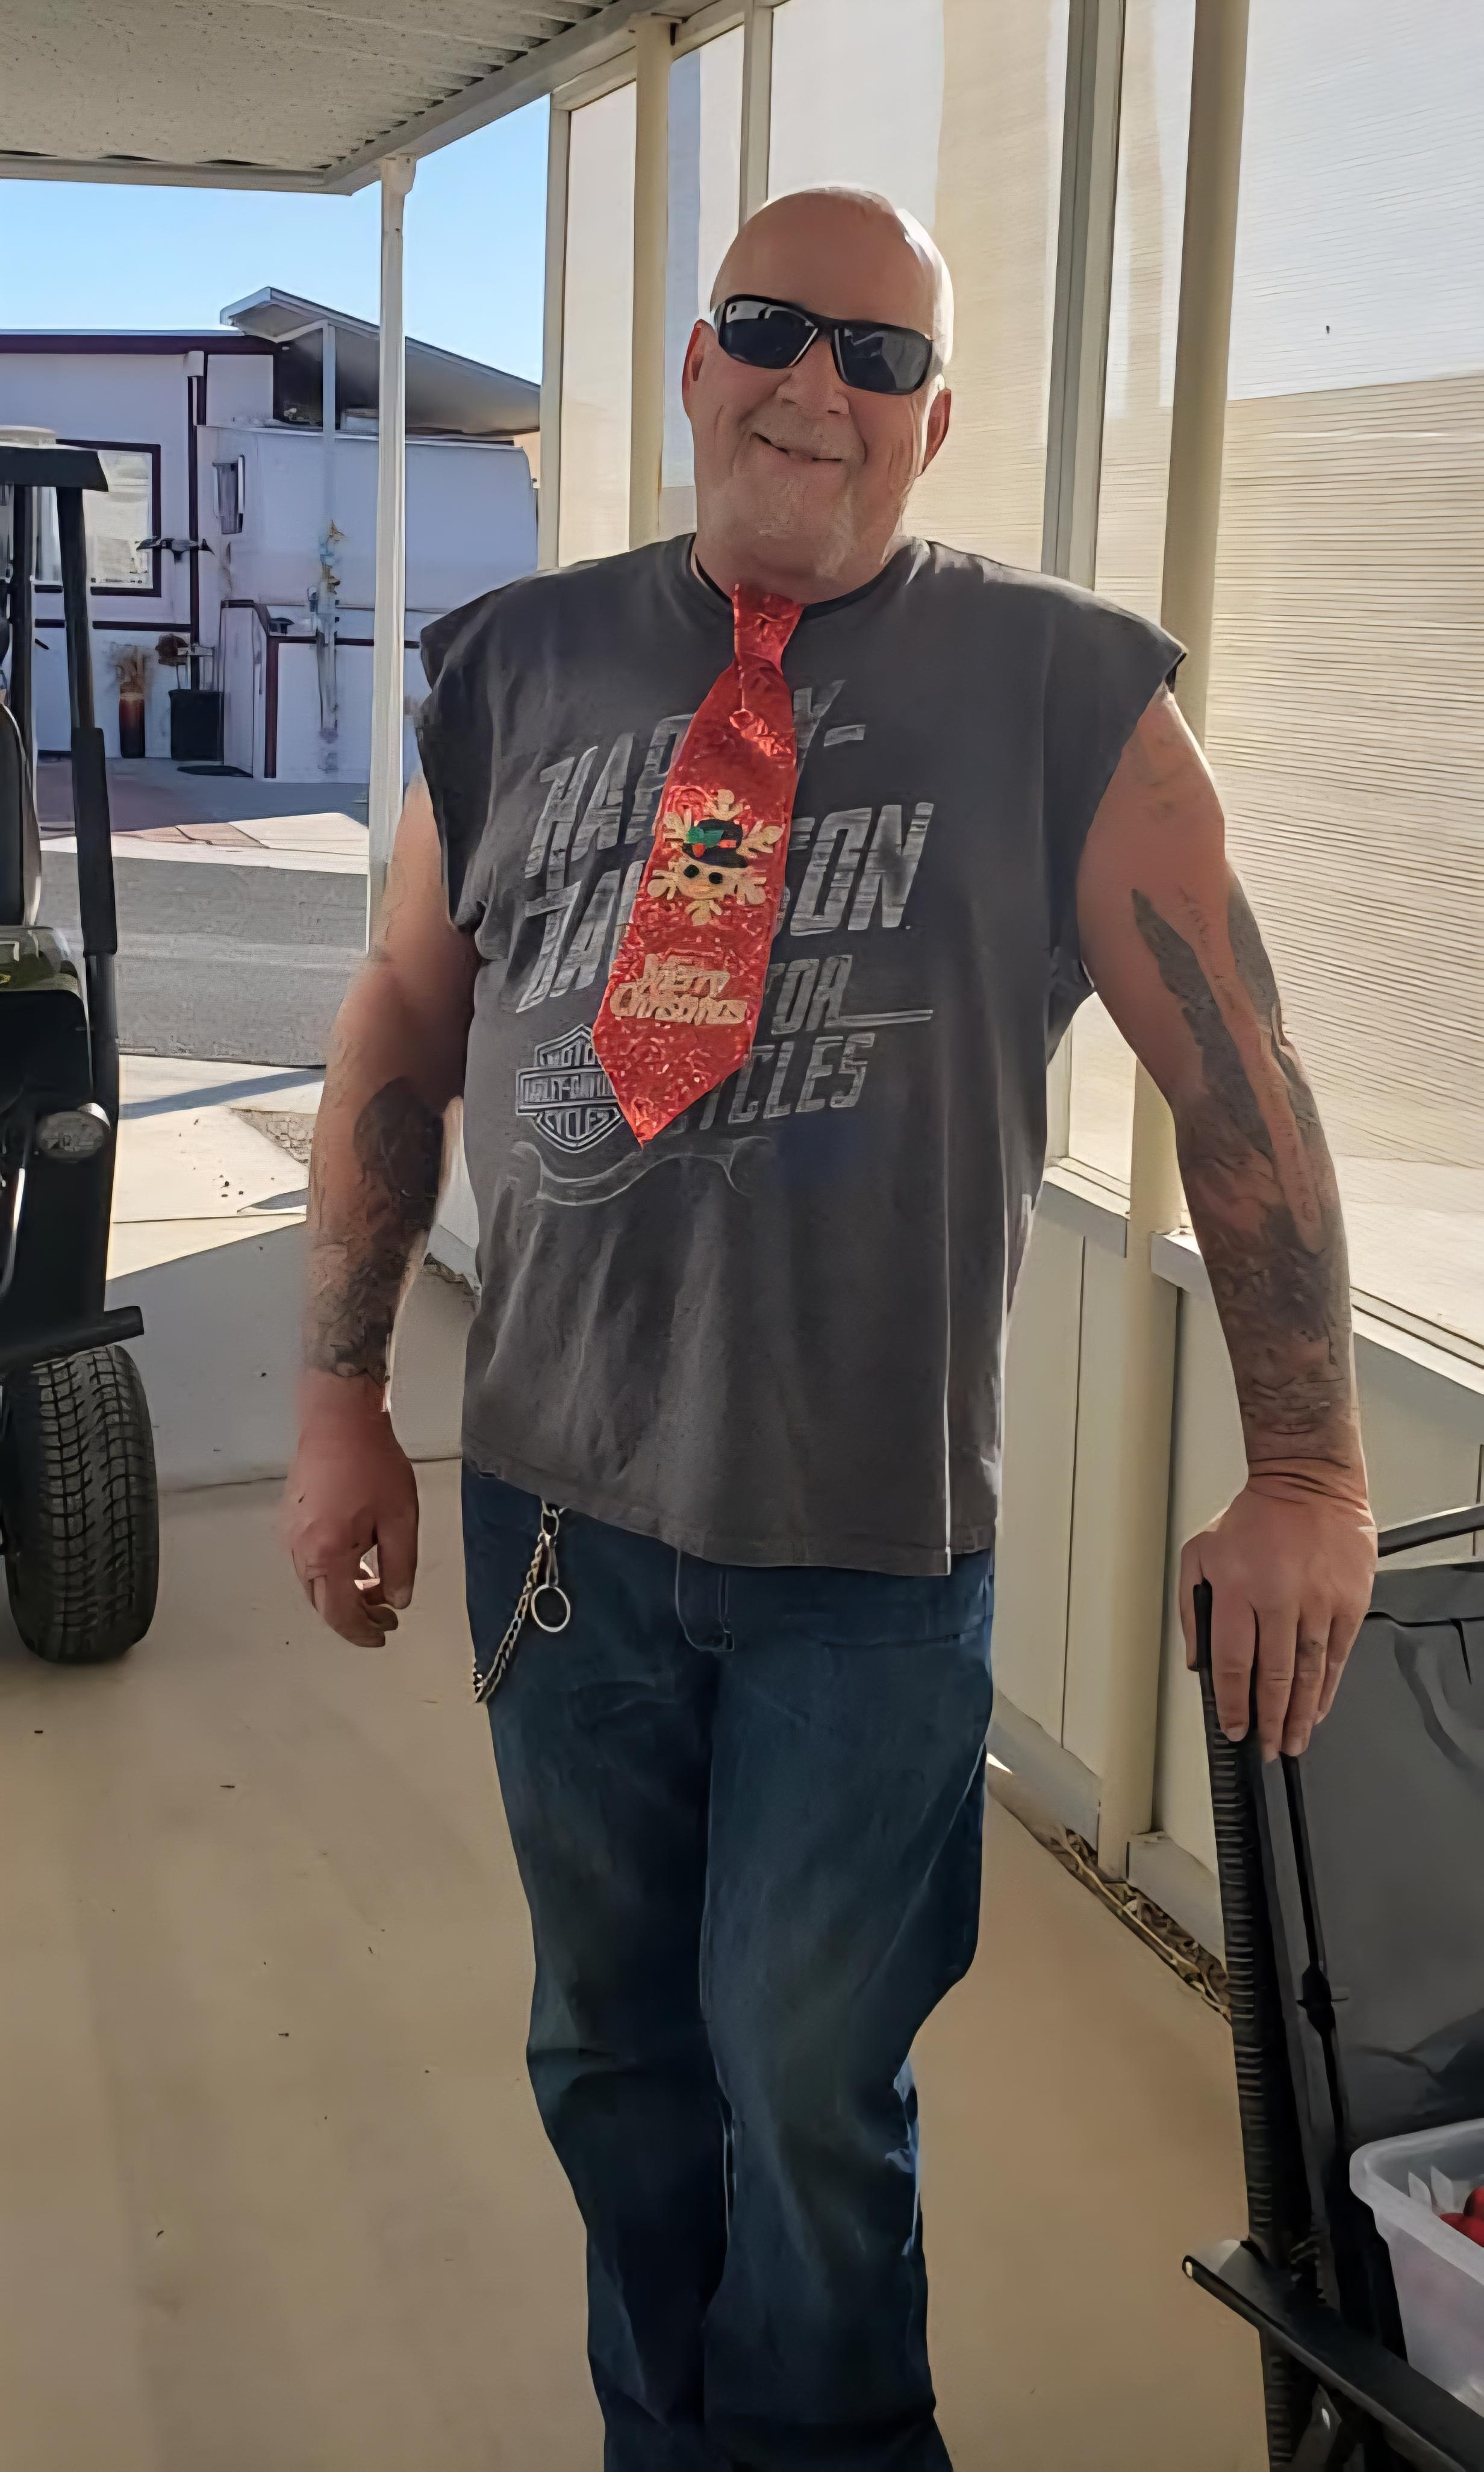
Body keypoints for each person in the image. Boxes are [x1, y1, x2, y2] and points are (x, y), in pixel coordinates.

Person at [285, 187, 1377, 2469]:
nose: (819, 385)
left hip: (866, 1562)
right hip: (562, 1527)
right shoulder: (508, 669)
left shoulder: (1068, 694)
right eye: (773, 328)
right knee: (609, 2054)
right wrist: (338, 1392)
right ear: (694, 363)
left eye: (881, 355)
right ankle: (663, 2436)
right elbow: (402, 1004)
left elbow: (1238, 1071)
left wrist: (1307, 1468)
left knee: (801, 2083)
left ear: (936, 420)